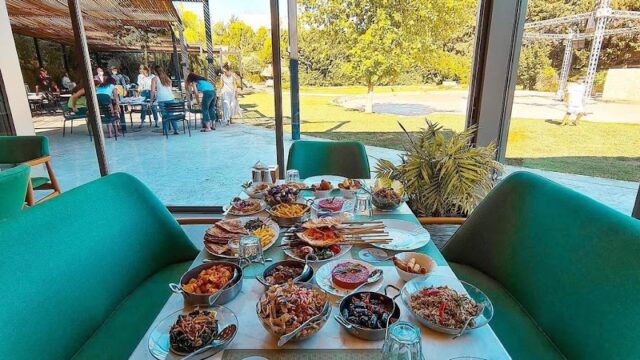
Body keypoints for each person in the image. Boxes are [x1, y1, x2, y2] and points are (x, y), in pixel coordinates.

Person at [151, 65, 179, 134]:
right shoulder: (167, 78)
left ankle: (165, 131)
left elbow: (152, 91)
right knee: (171, 114)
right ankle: (176, 130)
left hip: (161, 99)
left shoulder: (154, 79)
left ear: (155, 71)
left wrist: (151, 101)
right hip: (170, 98)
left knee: (164, 115)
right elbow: (171, 89)